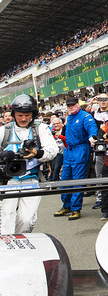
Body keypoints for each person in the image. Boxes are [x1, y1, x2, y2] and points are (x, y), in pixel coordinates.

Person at [0, 95, 58, 234]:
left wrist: (36, 153)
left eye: (27, 115)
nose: (24, 118)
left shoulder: (41, 129)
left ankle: (22, 245)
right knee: (6, 218)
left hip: (31, 179)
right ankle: (7, 251)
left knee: (26, 220)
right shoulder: (3, 131)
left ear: (33, 114)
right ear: (14, 114)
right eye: (20, 115)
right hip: (8, 181)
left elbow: (53, 150)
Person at [54, 96, 98, 221]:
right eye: (68, 105)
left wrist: (92, 137)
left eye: (72, 105)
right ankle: (66, 205)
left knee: (77, 181)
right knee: (65, 180)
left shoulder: (85, 116)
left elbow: (92, 129)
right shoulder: (70, 117)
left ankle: (75, 208)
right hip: (69, 151)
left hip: (80, 150)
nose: (70, 107)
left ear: (77, 105)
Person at [49, 116, 65, 181]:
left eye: (57, 123)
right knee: (56, 168)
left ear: (61, 123)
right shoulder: (51, 132)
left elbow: (68, 139)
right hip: (56, 152)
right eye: (54, 124)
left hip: (67, 151)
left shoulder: (65, 129)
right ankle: (54, 182)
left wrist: (60, 136)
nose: (56, 125)